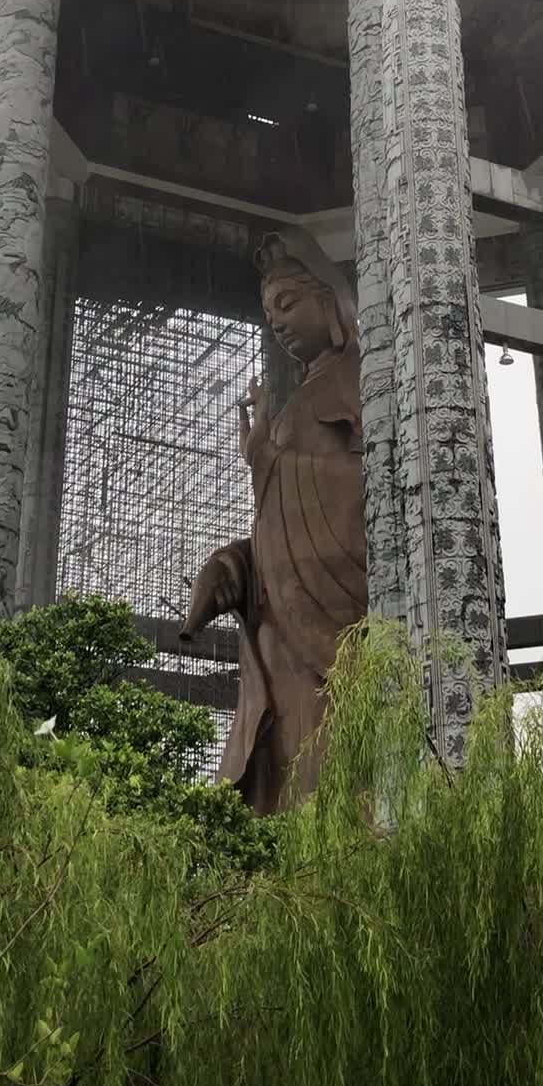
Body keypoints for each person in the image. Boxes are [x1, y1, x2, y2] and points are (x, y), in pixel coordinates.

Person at [180, 228, 367, 813]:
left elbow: (369, 492)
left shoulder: (360, 380)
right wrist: (234, 566)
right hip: (279, 627)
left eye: (288, 304)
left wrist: (267, 461)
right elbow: (278, 524)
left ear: (330, 301)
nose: (278, 323)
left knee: (325, 770)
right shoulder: (299, 399)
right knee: (281, 778)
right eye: (269, 313)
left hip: (330, 628)